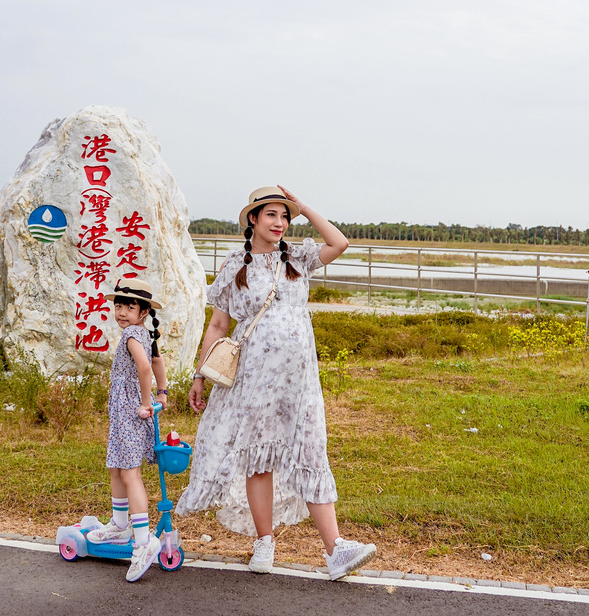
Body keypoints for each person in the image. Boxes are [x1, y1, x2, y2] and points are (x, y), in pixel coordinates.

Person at [176, 186, 377, 580]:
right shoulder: (236, 265)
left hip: (299, 384)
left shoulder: (298, 258)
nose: (280, 223)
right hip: (253, 380)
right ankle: (264, 542)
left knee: (311, 452)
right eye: (272, 215)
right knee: (258, 458)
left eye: (285, 217)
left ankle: (335, 549)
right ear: (253, 219)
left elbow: (340, 242)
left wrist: (303, 208)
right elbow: (218, 325)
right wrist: (200, 374)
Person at [86, 277, 169, 583]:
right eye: (118, 305)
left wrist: (147, 402)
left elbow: (145, 367)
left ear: (143, 311)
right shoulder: (144, 334)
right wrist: (163, 393)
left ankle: (143, 541)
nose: (121, 311)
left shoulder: (132, 336)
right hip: (125, 411)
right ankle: (120, 526)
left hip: (131, 411)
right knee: (117, 466)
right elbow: (157, 362)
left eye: (129, 306)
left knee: (129, 472)